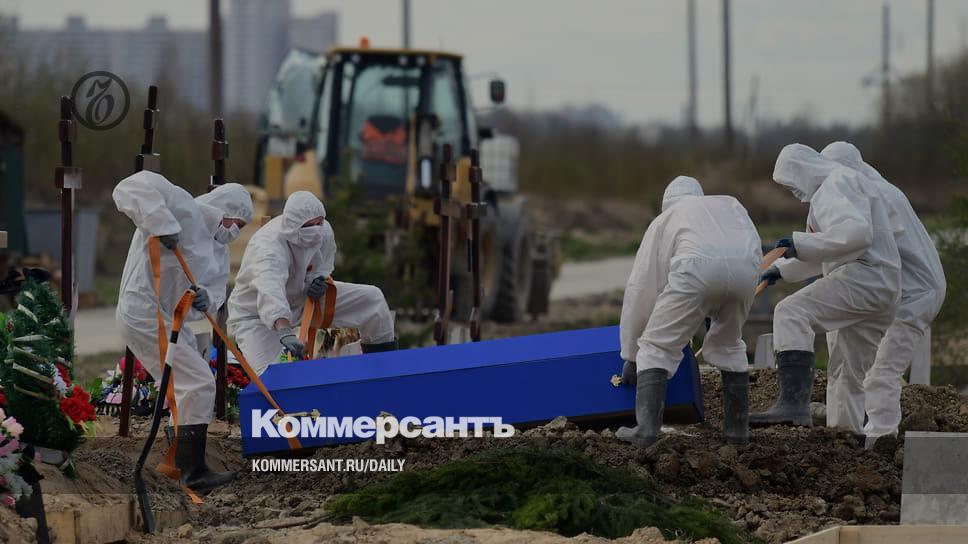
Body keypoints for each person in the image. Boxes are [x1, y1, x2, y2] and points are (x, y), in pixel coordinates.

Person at [114, 171, 252, 492]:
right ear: (220, 209)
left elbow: (214, 293)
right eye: (234, 222)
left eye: (241, 227)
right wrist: (162, 224)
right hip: (144, 311)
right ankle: (192, 472)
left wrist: (207, 300)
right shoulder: (182, 207)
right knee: (198, 382)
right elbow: (130, 186)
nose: (234, 231)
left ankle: (181, 461)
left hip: (170, 319)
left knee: (191, 382)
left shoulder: (218, 249)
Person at [753, 144, 901, 432]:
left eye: (791, 182)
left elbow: (856, 235)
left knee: (791, 313)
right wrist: (780, 269)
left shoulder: (835, 184)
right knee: (846, 372)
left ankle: (792, 404)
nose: (793, 191)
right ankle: (848, 440)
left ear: (803, 170)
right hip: (882, 287)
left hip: (865, 277)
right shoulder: (843, 185)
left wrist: (800, 244)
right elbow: (830, 248)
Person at [618, 176, 762, 446]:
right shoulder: (731, 206)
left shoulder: (666, 219)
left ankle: (646, 432)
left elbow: (641, 291)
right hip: (746, 271)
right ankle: (737, 433)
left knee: (655, 346)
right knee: (730, 345)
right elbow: (750, 247)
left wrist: (632, 355)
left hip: (695, 270)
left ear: (666, 203)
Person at [820, 141, 945, 444]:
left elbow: (852, 249)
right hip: (899, 289)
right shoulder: (876, 191)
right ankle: (849, 438)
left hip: (914, 294)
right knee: (856, 367)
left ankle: (881, 442)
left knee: (880, 372)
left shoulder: (874, 196)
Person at [227, 191, 397, 375]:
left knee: (372, 300)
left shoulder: (324, 231)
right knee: (272, 377)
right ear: (292, 226)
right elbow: (269, 289)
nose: (316, 229)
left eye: (319, 222)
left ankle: (384, 369)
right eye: (309, 225)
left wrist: (317, 281)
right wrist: (284, 330)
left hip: (303, 300)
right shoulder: (267, 246)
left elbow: (323, 265)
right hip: (257, 316)